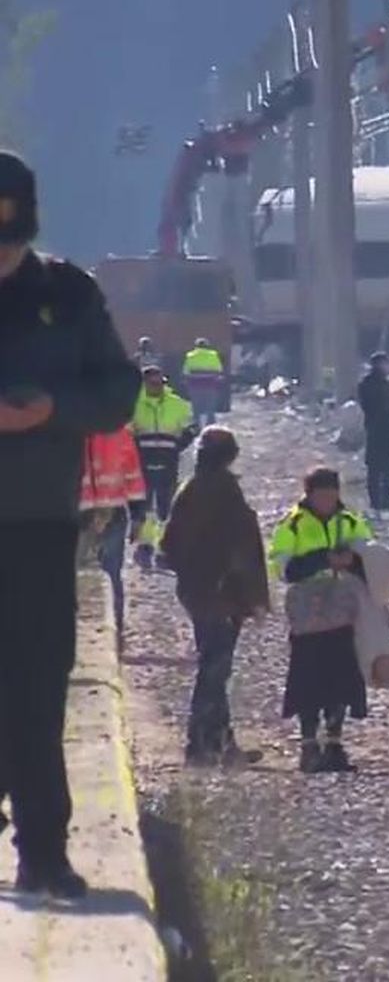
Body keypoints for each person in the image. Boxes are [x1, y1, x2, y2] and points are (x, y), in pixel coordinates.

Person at [0, 149, 143, 899]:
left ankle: (44, 853)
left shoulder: (69, 295)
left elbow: (118, 391)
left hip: (37, 523)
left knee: (37, 690)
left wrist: (53, 409)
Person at [162, 428, 271, 766]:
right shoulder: (219, 491)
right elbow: (239, 548)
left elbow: (170, 546)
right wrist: (235, 589)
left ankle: (219, 743)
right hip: (220, 596)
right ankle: (202, 744)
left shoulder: (192, 490)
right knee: (214, 669)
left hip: (203, 594)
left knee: (214, 667)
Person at [269, 468, 373, 773]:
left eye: (332, 494)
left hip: (343, 612)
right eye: (322, 495)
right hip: (307, 614)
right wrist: (322, 559)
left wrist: (352, 562)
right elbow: (284, 569)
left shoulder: (351, 523)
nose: (328, 500)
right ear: (309, 494)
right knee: (308, 677)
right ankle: (308, 744)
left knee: (342, 677)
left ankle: (335, 742)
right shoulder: (293, 525)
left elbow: (369, 559)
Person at [79, 425, 148, 643]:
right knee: (110, 576)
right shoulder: (118, 430)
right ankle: (114, 634)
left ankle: (82, 636)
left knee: (77, 577)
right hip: (112, 512)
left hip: (76, 515)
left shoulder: (61, 425)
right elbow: (133, 474)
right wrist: (138, 515)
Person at [131, 364, 194, 568]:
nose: (156, 386)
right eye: (152, 383)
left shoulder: (178, 404)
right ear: (144, 384)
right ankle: (144, 547)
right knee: (144, 507)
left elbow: (192, 427)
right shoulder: (132, 405)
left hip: (168, 462)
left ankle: (163, 549)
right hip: (142, 463)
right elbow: (124, 431)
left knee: (166, 509)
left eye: (160, 382)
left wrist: (178, 445)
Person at [357, 352, 389, 512]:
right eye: (384, 364)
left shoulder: (386, 384)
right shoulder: (368, 384)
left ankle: (385, 501)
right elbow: (370, 406)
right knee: (375, 467)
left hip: (388, 429)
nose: (387, 367)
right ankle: (376, 501)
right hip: (376, 429)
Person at [182, 337, 225, 428]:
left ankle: (197, 425)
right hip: (210, 385)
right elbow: (219, 369)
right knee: (210, 407)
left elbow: (185, 371)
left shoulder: (190, 356)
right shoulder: (213, 355)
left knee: (196, 407)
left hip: (195, 385)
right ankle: (211, 426)